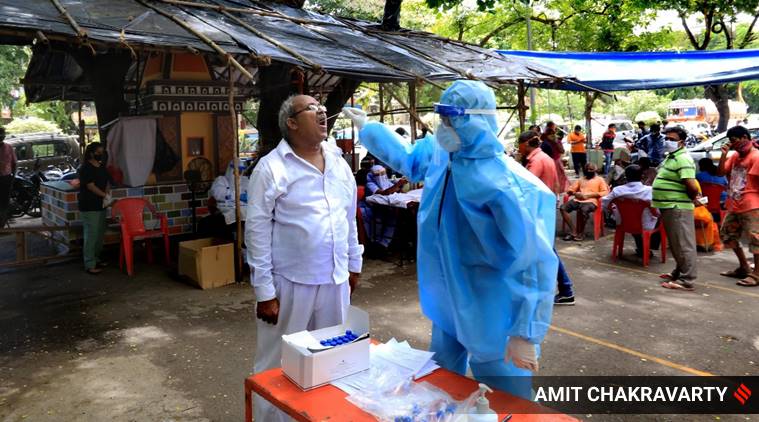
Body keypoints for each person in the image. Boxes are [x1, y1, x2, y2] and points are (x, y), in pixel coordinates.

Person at [343, 80, 557, 399]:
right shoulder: (443, 153)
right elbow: (409, 160)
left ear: (476, 120)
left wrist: (525, 332)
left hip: (491, 310)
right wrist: (370, 129)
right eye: (441, 117)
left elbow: (533, 261)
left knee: (507, 400)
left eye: (451, 118)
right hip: (446, 299)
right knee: (442, 386)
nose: (443, 127)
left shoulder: (508, 186)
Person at [246, 95, 363, 422]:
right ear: (292, 123)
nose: (322, 112)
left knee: (333, 357)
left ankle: (322, 416)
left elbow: (348, 216)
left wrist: (354, 264)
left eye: (323, 108)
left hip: (335, 279)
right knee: (278, 363)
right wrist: (264, 292)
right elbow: (256, 230)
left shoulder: (338, 162)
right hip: (290, 284)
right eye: (312, 109)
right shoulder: (272, 168)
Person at [519, 131, 575, 306]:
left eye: (519, 144)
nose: (518, 148)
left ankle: (566, 290)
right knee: (543, 250)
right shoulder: (546, 158)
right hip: (545, 208)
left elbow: (526, 185)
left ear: (526, 144)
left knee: (547, 250)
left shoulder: (536, 161)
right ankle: (557, 289)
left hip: (537, 210)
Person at [653, 127, 699, 291]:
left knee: (683, 243)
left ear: (682, 142)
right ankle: (679, 272)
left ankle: (687, 280)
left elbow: (692, 186)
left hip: (677, 206)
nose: (668, 142)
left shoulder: (683, 159)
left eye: (672, 139)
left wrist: (692, 198)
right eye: (667, 138)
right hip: (669, 206)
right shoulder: (671, 157)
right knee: (676, 243)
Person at [716, 125, 759, 287]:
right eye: (731, 142)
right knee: (728, 233)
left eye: (734, 141)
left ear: (745, 138)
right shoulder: (734, 156)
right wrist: (723, 155)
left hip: (752, 204)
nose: (733, 144)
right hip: (735, 202)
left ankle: (757, 274)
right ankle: (744, 266)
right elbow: (720, 173)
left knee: (756, 238)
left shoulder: (756, 156)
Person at [601, 165, 661, 258]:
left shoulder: (617, 190)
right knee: (660, 218)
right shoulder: (649, 190)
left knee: (634, 218)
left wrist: (612, 211)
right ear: (642, 176)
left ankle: (642, 248)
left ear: (626, 177)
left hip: (623, 222)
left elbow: (604, 203)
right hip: (644, 224)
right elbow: (657, 209)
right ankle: (648, 247)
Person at [78, 142, 111, 275]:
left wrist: (106, 195)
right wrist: (105, 196)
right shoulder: (85, 168)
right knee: (91, 234)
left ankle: (96, 258)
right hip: (89, 205)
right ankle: (89, 263)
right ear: (91, 153)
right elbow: (90, 186)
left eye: (102, 152)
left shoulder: (102, 166)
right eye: (99, 152)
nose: (101, 154)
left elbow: (107, 182)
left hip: (101, 204)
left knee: (99, 234)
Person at [561, 162, 609, 241]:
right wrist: (575, 193)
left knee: (584, 211)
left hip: (591, 201)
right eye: (587, 169)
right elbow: (570, 189)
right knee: (563, 208)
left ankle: (581, 233)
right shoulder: (581, 179)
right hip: (578, 199)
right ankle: (574, 231)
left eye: (591, 169)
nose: (589, 171)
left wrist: (589, 195)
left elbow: (605, 192)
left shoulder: (600, 180)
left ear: (595, 170)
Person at [365, 164, 408, 249]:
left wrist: (401, 184)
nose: (381, 176)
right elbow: (384, 192)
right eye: (378, 175)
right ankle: (376, 243)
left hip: (387, 207)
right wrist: (397, 185)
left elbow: (393, 188)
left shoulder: (385, 181)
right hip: (374, 208)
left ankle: (385, 244)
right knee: (379, 221)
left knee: (393, 219)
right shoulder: (370, 184)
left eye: (383, 174)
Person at [540, 121, 568, 192]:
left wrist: (556, 142)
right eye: (550, 134)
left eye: (553, 134)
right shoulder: (545, 142)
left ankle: (558, 191)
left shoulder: (557, 141)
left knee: (559, 177)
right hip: (549, 161)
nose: (552, 135)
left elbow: (562, 151)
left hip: (556, 161)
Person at [0, 127, 16, 227]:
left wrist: (12, 177)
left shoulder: (9, 147)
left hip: (6, 179)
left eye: (3, 134)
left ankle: (2, 224)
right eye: (0, 134)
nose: (2, 136)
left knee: (4, 202)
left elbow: (14, 163)